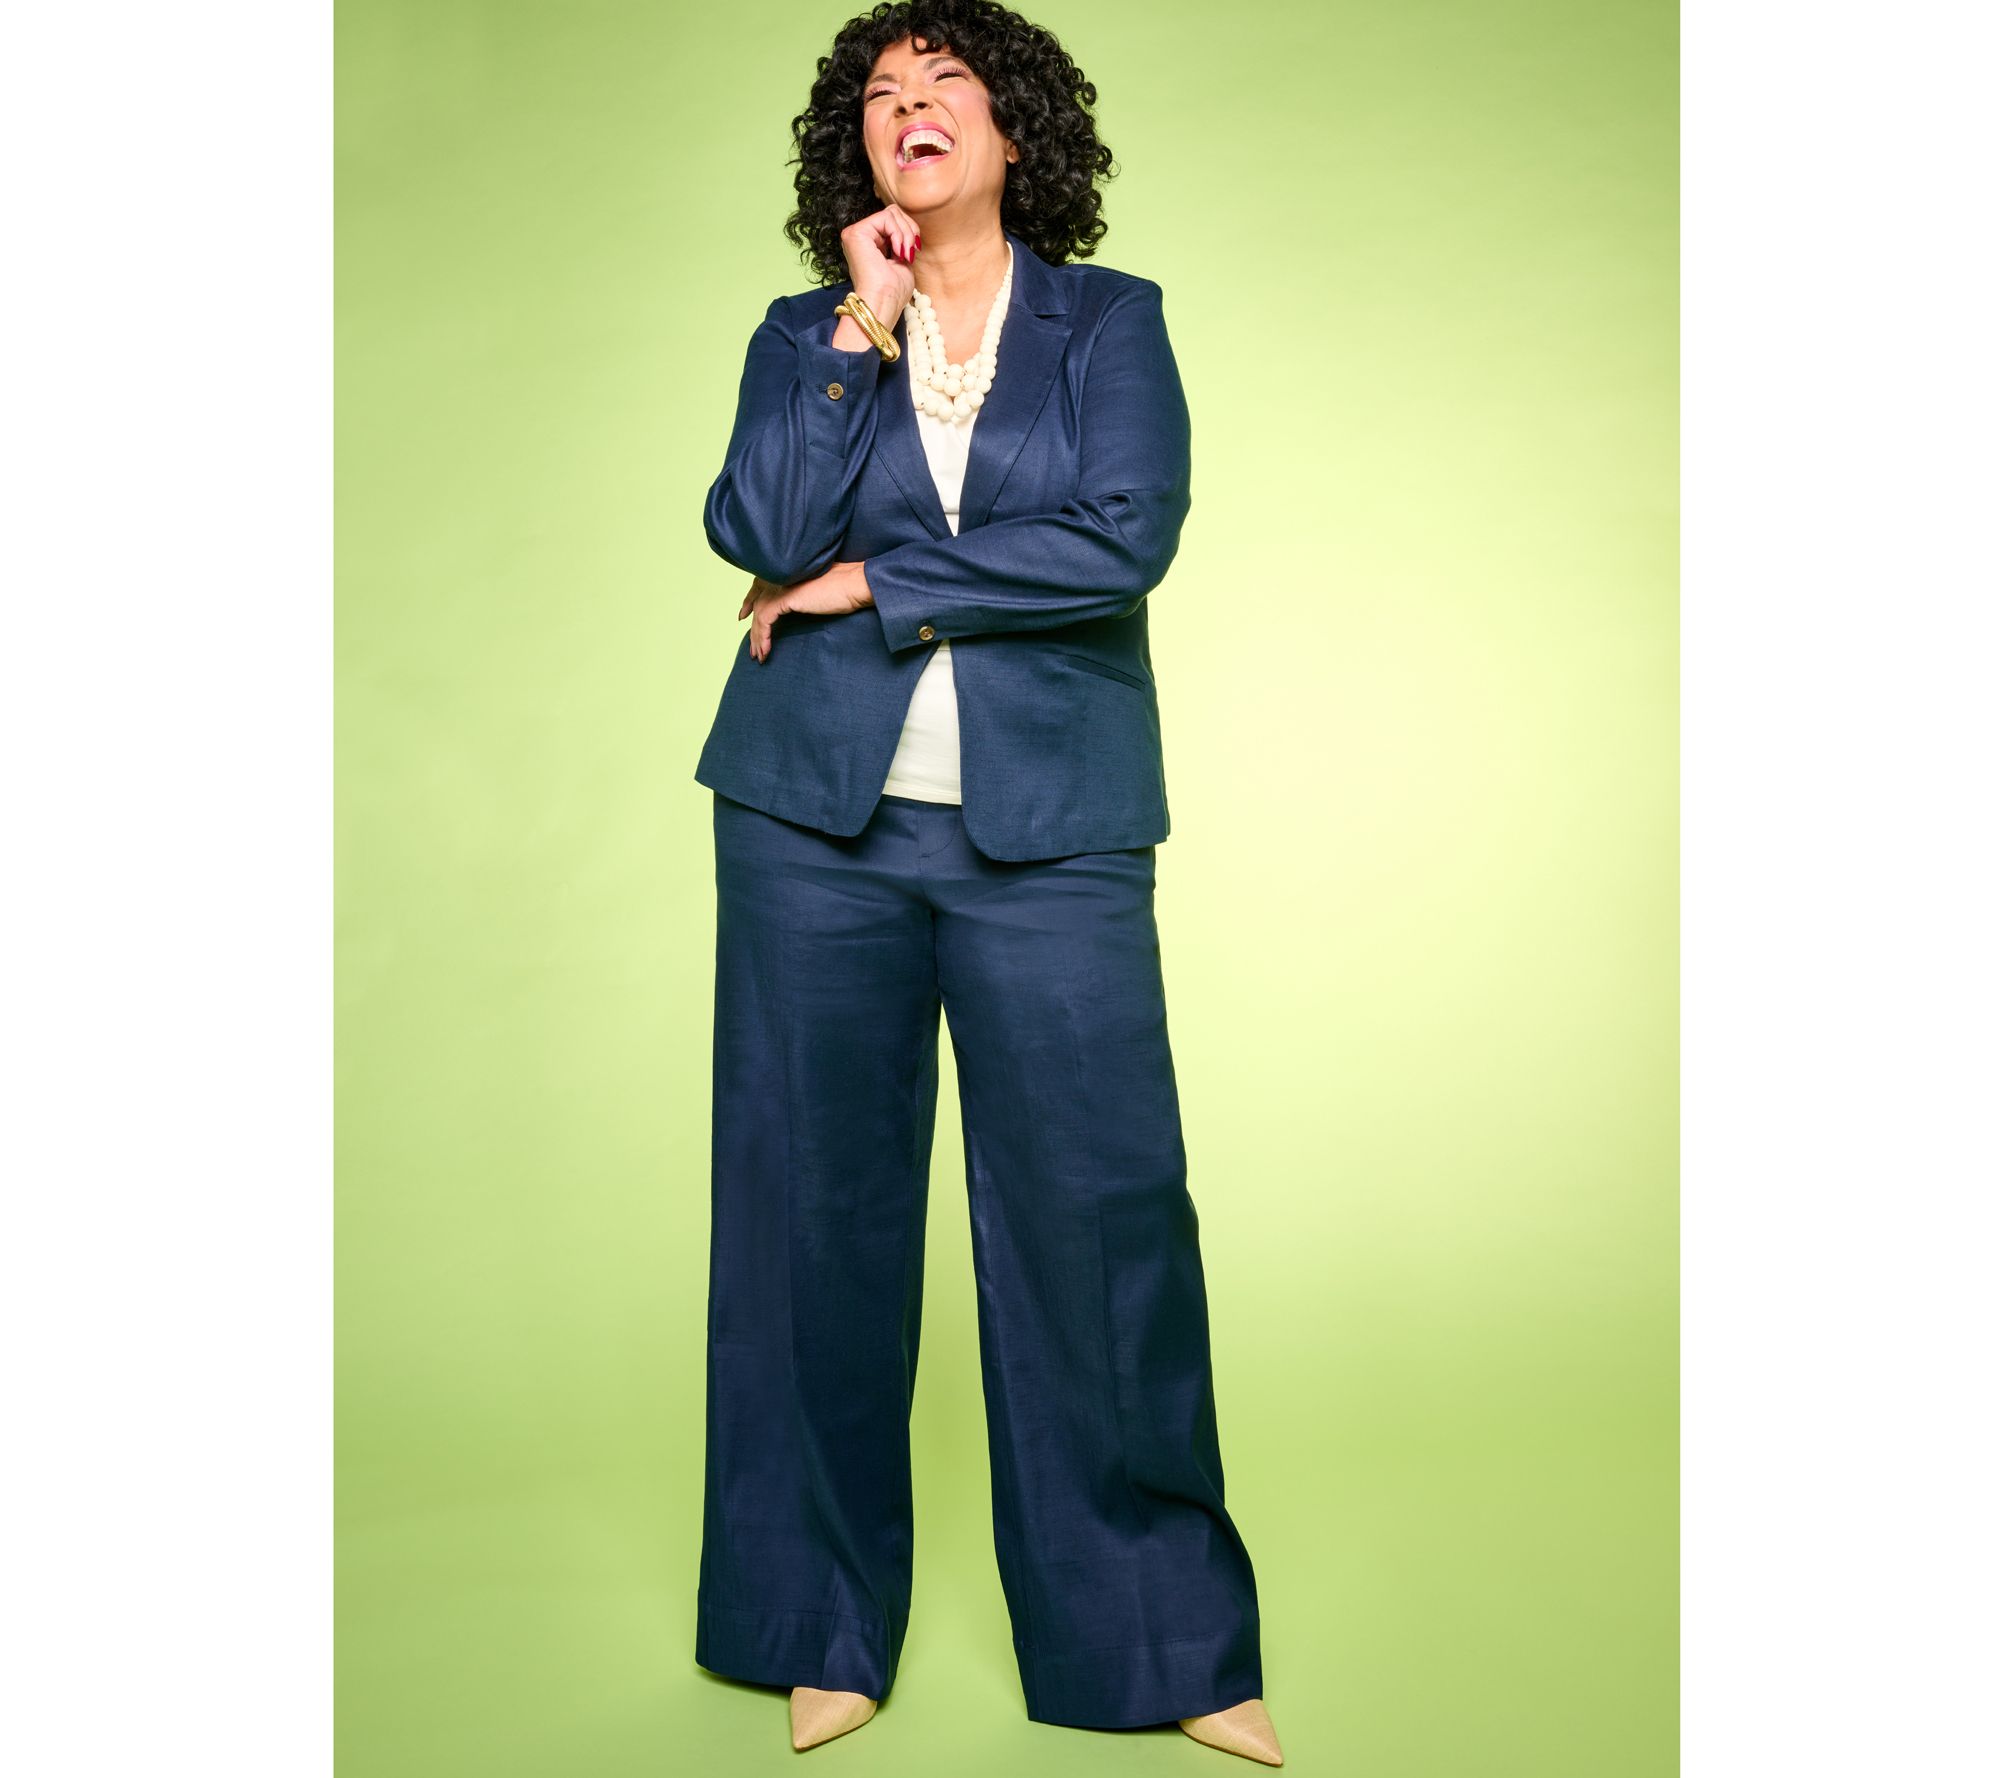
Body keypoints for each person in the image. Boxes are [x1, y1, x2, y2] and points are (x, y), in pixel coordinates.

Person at [691, 6, 1282, 1763]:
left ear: (1016, 130)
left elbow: (1124, 532)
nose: (913, 105)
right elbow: (756, 527)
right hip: (810, 825)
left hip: (1054, 830)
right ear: (858, 149)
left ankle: (1161, 1636)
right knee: (808, 1225)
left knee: (1103, 1221)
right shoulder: (808, 331)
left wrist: (877, 582)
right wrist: (861, 326)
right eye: (884, 92)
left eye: (947, 82)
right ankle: (815, 1620)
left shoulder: (1111, 321)